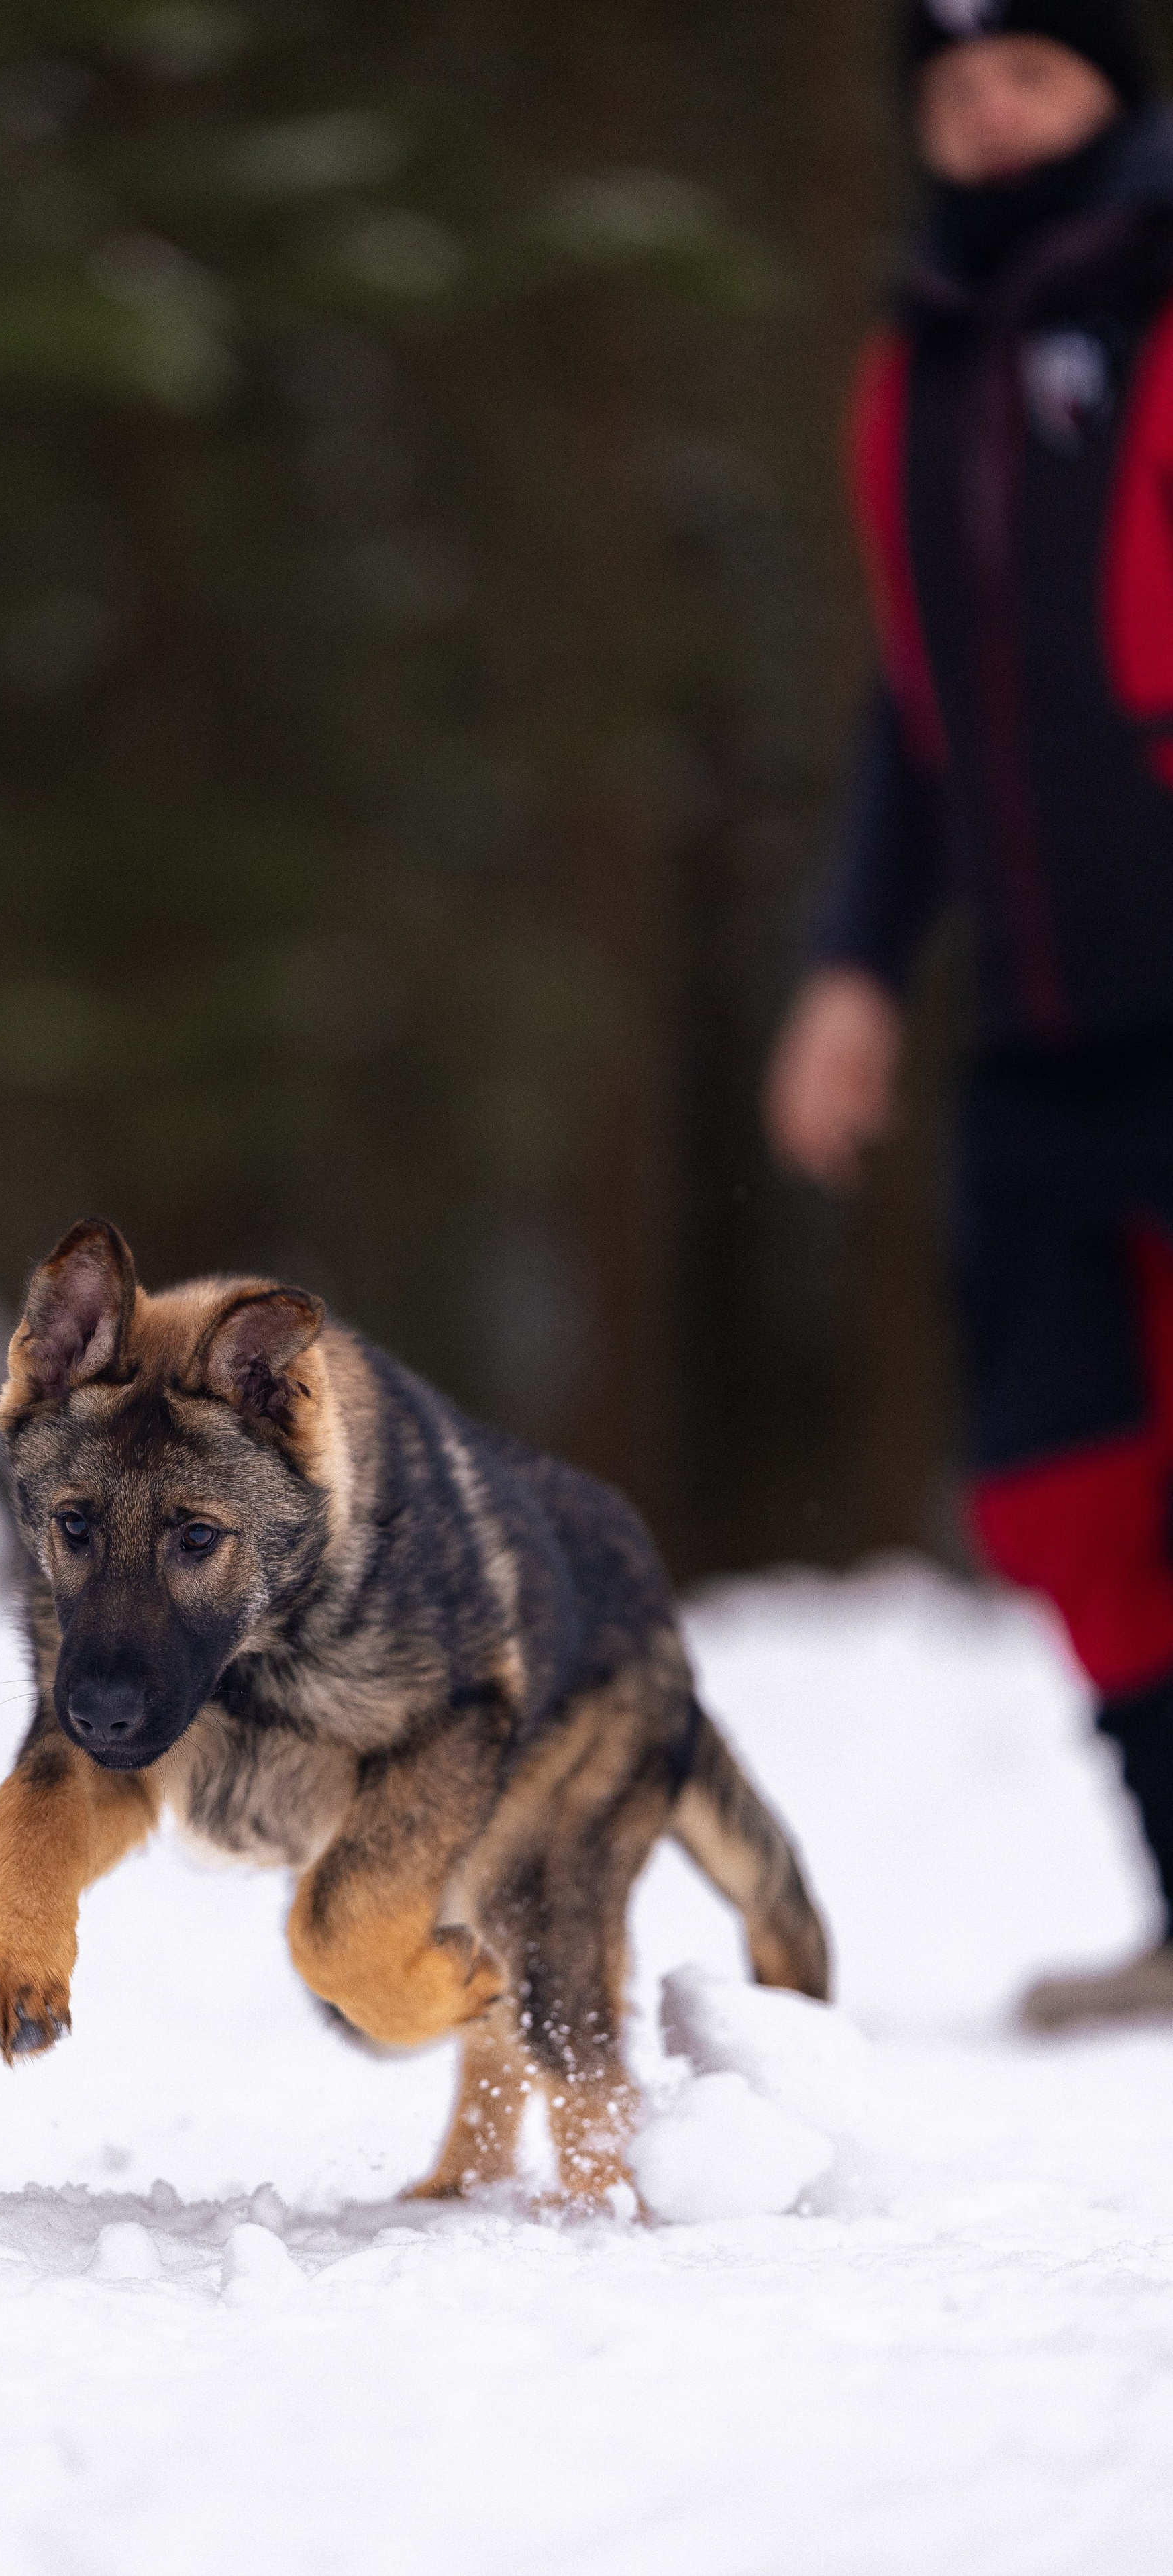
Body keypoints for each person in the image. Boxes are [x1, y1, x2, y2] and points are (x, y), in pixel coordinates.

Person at [765, 0, 1173, 2028]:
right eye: (953, 89)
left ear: (1116, 87)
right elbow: (915, 716)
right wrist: (854, 965)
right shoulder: (920, 356)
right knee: (1058, 1480)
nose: (991, 119)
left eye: (1031, 77)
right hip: (1036, 1020)